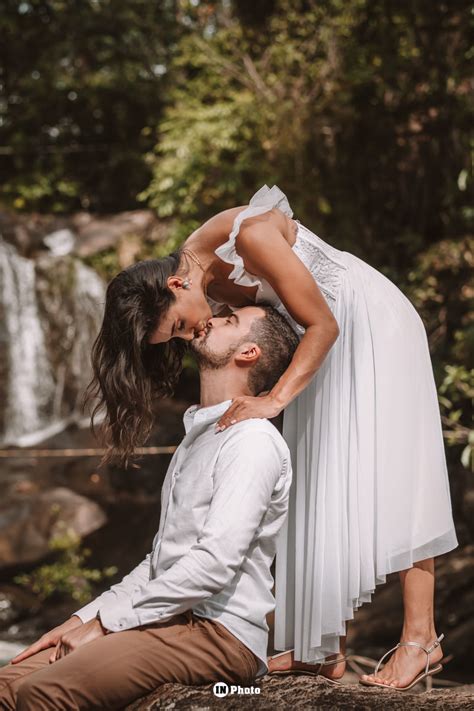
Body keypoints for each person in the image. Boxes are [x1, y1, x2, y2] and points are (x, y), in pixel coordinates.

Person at [72, 184, 457, 691]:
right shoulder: (202, 280)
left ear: (174, 285)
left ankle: (420, 638)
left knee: (394, 472)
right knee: (316, 479)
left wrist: (273, 400)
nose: (193, 335)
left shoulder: (248, 236)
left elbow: (322, 322)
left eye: (182, 326)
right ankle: (323, 648)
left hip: (365, 324)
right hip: (319, 346)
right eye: (182, 338)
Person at [0, 304, 298, 710]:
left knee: (41, 693)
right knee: (6, 683)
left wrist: (106, 625)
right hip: (168, 617)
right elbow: (160, 561)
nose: (209, 317)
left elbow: (214, 562)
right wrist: (83, 618)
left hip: (218, 633)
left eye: (229, 321)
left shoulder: (251, 442)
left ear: (248, 353)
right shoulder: (200, 436)